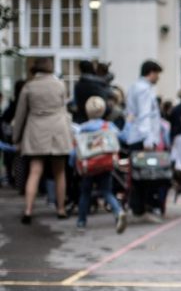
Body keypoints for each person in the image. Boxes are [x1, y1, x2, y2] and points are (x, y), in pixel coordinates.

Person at [13, 58, 74, 224]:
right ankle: (60, 209)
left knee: (34, 171)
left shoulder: (29, 87)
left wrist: (16, 137)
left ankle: (28, 210)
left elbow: (20, 115)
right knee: (59, 172)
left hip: (36, 130)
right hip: (57, 131)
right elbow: (64, 109)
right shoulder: (60, 85)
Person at [73, 96, 127, 232]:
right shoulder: (108, 126)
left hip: (88, 165)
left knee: (85, 193)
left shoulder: (82, 128)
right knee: (107, 191)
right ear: (103, 110)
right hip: (105, 163)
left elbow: (76, 149)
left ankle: (81, 221)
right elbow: (122, 137)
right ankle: (118, 211)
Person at [123, 60, 167, 222]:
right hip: (143, 138)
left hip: (137, 136)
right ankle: (142, 208)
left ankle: (139, 207)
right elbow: (145, 115)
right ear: (151, 72)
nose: (158, 78)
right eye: (157, 74)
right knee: (147, 176)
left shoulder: (136, 87)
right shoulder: (144, 90)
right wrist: (148, 140)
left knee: (140, 176)